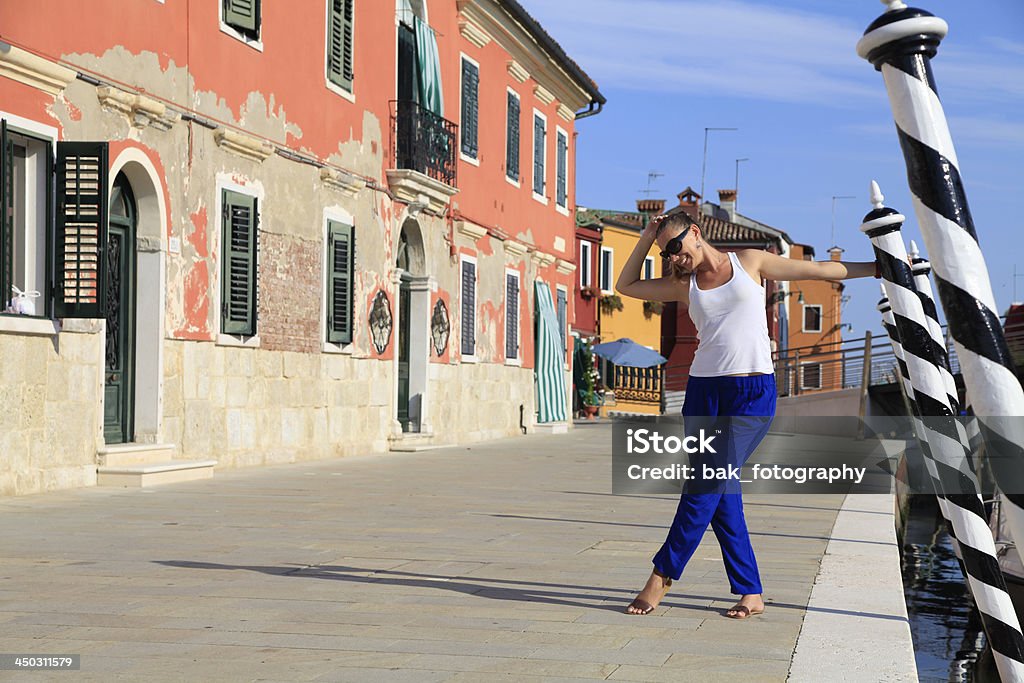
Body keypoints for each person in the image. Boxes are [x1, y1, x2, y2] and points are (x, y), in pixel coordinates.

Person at [615, 210, 877, 618]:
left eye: (676, 247)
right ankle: (750, 591)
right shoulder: (684, 287)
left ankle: (660, 577)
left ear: (695, 233)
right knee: (721, 493)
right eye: (665, 252)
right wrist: (648, 237)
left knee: (706, 483)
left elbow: (819, 268)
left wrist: (878, 268)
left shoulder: (750, 262)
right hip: (703, 393)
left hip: (752, 393)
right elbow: (625, 284)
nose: (673, 257)